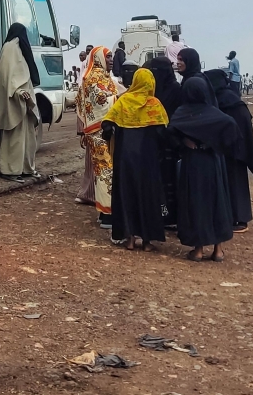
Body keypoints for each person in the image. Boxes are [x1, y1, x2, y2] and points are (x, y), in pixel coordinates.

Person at [169, 77, 238, 262]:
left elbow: (170, 132)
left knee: (196, 202)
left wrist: (184, 142)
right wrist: (215, 144)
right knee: (217, 201)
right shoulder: (214, 113)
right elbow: (231, 127)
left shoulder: (183, 112)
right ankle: (218, 250)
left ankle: (198, 249)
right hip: (213, 162)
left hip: (193, 162)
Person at [101, 69, 169, 251]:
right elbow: (164, 133)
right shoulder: (154, 104)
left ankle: (129, 239)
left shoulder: (123, 101)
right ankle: (147, 241)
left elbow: (106, 124)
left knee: (127, 194)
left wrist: (113, 136)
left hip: (125, 158)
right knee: (148, 195)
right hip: (148, 160)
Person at [205, 69, 253, 233]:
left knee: (233, 183)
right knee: (235, 183)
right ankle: (235, 217)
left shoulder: (225, 101)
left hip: (232, 150)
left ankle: (240, 219)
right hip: (237, 149)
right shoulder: (232, 98)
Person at [0, 24, 40, 181]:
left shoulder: (14, 48)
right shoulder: (10, 48)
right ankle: (10, 170)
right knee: (13, 137)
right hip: (14, 99)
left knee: (27, 137)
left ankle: (25, 168)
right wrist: (18, 92)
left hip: (24, 99)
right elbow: (8, 76)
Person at [75, 46, 118, 226]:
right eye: (107, 57)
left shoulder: (103, 77)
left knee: (104, 172)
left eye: (111, 57)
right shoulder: (93, 78)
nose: (111, 60)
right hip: (98, 132)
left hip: (101, 131)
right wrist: (120, 99)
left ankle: (104, 211)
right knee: (105, 172)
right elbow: (102, 102)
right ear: (99, 58)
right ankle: (107, 214)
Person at [145, 56, 184, 228]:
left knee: (169, 178)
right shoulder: (157, 89)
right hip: (156, 141)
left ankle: (172, 215)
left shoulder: (174, 89)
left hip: (169, 141)